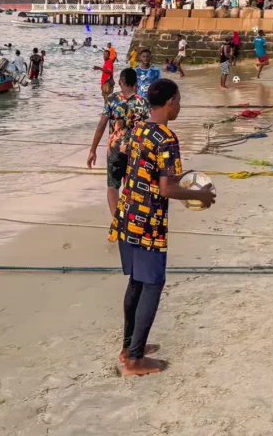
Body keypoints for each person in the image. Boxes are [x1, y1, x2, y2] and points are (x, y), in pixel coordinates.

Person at [108, 78, 216, 376]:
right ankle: (134, 360)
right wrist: (200, 194)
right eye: (179, 100)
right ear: (169, 102)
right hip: (148, 223)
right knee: (152, 284)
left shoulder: (139, 127)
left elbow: (130, 162)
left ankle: (128, 347)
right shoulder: (167, 137)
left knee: (136, 283)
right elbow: (167, 189)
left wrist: (187, 179)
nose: (179, 105)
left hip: (126, 212)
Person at [88, 67, 151, 215]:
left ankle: (116, 220)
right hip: (135, 149)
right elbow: (149, 128)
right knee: (130, 185)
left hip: (115, 149)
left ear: (120, 82)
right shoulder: (143, 102)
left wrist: (93, 150)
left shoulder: (111, 100)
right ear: (136, 83)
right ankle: (129, 219)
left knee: (112, 186)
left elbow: (101, 125)